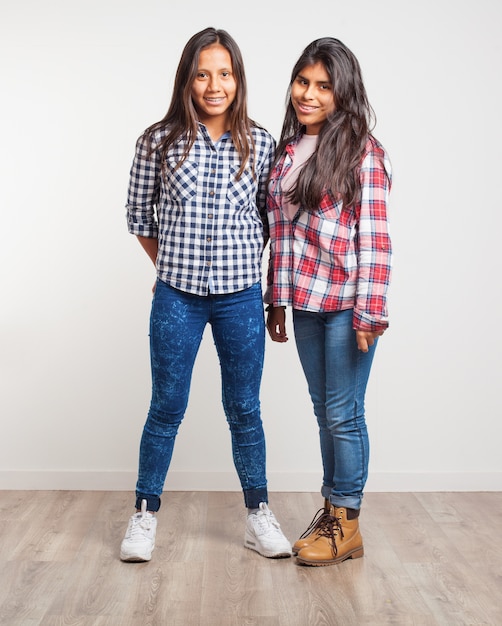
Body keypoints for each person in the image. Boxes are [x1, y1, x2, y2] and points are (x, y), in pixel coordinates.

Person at [121, 27, 291, 562]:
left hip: (241, 296)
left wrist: (272, 294)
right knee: (166, 406)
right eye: (202, 73)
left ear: (237, 78)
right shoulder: (157, 141)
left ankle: (258, 515)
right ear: (187, 79)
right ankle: (144, 515)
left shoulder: (262, 144)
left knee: (244, 408)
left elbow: (272, 222)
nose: (213, 84)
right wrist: (167, 266)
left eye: (224, 73)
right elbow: (137, 215)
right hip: (177, 297)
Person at [265, 37, 392, 566]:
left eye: (323, 86)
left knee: (344, 414)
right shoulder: (289, 149)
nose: (309, 94)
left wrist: (370, 312)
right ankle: (331, 515)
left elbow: (376, 238)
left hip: (346, 306)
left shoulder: (364, 152)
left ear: (343, 93)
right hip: (304, 302)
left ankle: (348, 524)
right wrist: (276, 300)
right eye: (303, 82)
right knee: (325, 412)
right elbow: (281, 231)